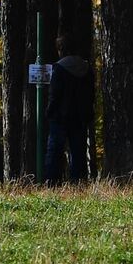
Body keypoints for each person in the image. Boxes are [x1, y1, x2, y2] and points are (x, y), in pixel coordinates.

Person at [44, 39, 94, 183]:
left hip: (60, 116)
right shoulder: (86, 68)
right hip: (80, 116)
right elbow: (91, 93)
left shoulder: (59, 68)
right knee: (78, 152)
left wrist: (50, 111)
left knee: (55, 151)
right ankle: (77, 182)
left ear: (61, 49)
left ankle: (52, 182)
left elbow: (55, 94)